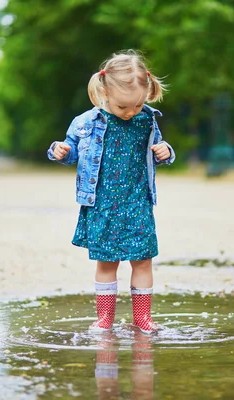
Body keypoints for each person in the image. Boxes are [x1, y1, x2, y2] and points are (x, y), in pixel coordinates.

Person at [47, 50, 175, 334]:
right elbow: (70, 153)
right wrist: (60, 151)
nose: (130, 112)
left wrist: (165, 152)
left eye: (137, 105)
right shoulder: (86, 122)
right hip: (102, 203)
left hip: (137, 201)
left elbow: (157, 151)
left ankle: (143, 317)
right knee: (107, 262)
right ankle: (104, 318)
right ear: (104, 91)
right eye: (122, 107)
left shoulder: (147, 119)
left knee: (143, 260)